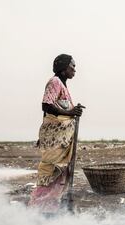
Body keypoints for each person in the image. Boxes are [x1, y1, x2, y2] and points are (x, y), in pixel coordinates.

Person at [28, 54, 84, 213]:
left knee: (60, 174)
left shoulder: (63, 85)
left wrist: (72, 110)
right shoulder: (55, 82)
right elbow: (46, 106)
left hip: (61, 142)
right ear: (63, 67)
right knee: (52, 172)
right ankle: (38, 210)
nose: (74, 70)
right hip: (55, 141)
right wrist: (71, 112)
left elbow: (56, 109)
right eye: (72, 66)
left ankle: (50, 209)